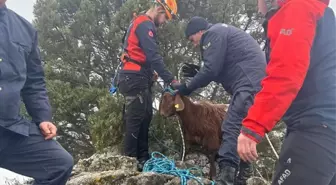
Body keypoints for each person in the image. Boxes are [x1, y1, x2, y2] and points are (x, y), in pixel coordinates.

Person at [237, 0, 336, 185]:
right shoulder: (320, 11)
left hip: (315, 128)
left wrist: (253, 127)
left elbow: (285, 73)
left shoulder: (298, 8)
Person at [174, 16, 267, 185]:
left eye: (192, 39)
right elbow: (221, 67)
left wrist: (186, 87)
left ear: (199, 31)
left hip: (248, 84)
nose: (194, 44)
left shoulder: (212, 33)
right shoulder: (221, 32)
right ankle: (244, 175)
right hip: (253, 82)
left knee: (230, 126)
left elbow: (211, 69)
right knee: (242, 130)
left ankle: (226, 179)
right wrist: (198, 72)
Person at [0, 1, 74, 185]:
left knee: (59, 164)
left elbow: (34, 82)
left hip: (10, 130)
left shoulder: (25, 30)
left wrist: (43, 118)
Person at [117, 0, 180, 171]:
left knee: (145, 117)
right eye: (165, 17)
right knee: (135, 119)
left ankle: (143, 159)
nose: (164, 22)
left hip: (138, 76)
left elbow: (143, 54)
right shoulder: (145, 25)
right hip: (133, 77)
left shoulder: (141, 23)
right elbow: (153, 56)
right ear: (159, 9)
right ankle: (129, 162)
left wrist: (151, 71)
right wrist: (171, 80)